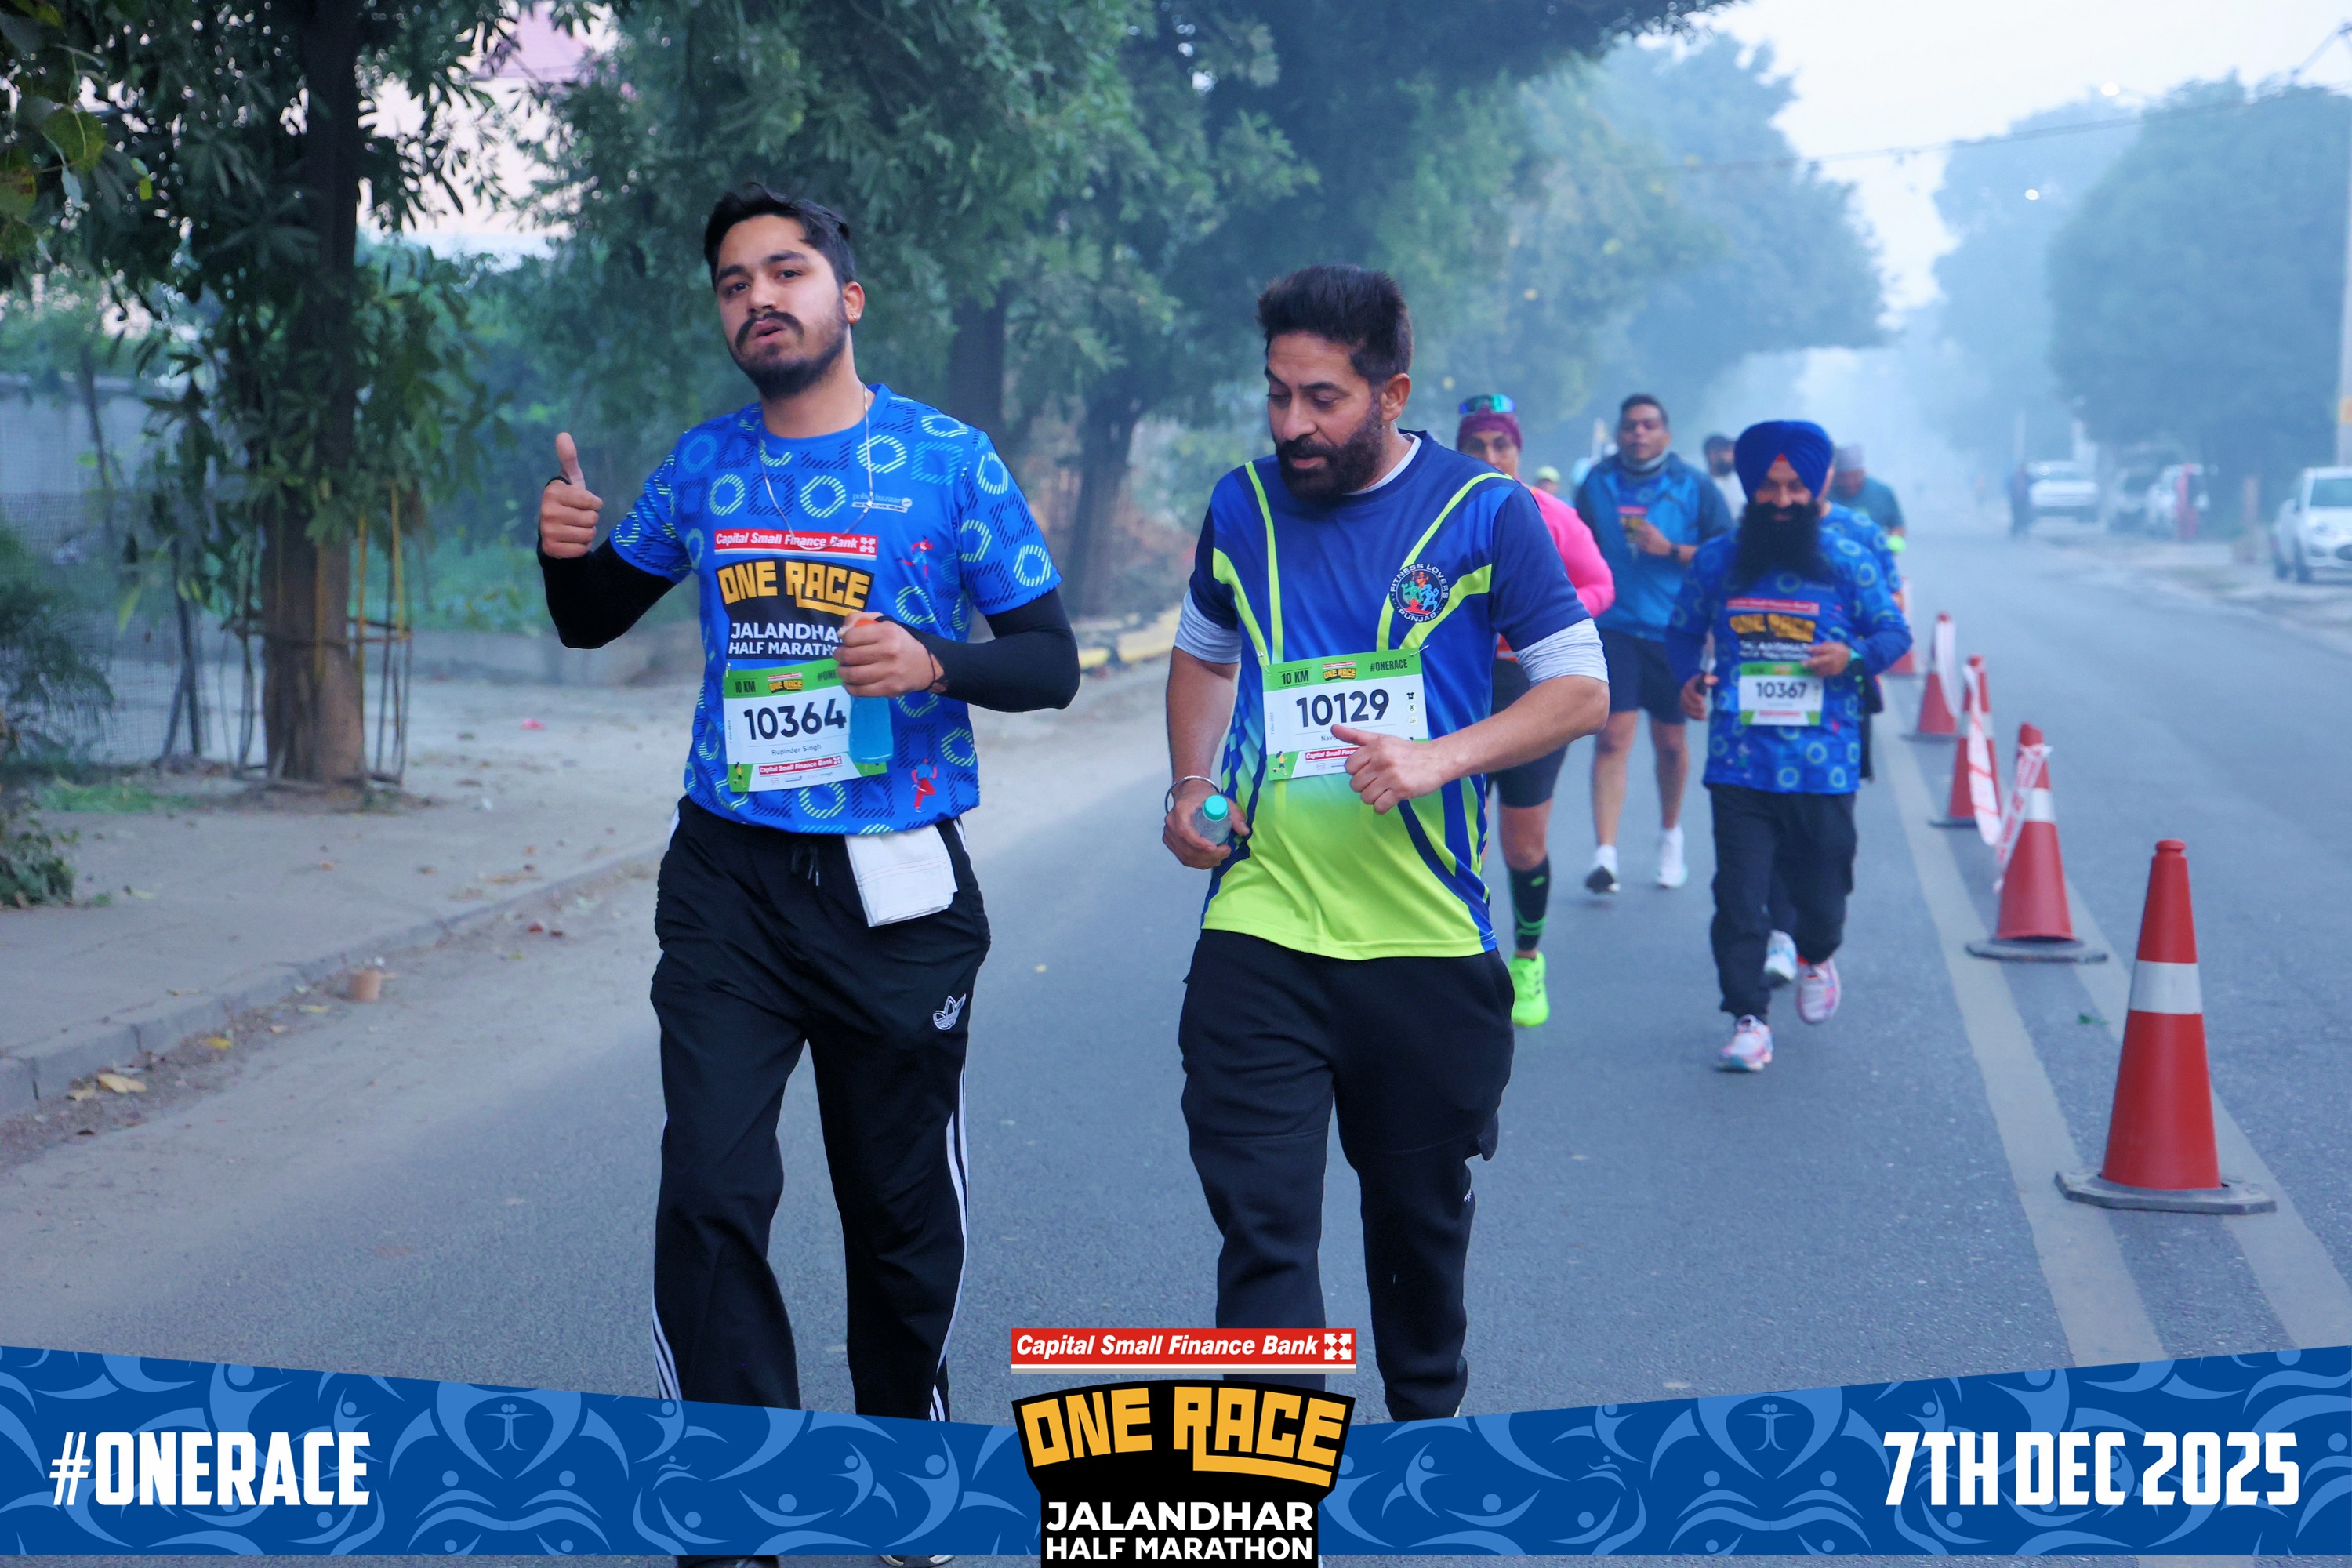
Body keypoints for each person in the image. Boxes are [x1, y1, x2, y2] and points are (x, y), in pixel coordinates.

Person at [537, 186, 1079, 1483]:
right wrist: (564, 554)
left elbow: (1051, 661)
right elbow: (592, 618)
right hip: (728, 880)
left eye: (786, 272)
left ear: (850, 295)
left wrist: (936, 660)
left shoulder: (948, 460)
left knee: (897, 1216)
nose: (759, 299)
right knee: (709, 1189)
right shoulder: (706, 464)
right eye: (735, 283)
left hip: (896, 888)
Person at [1162, 265, 1609, 1420]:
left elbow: (1578, 689)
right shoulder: (1241, 506)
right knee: (1262, 1233)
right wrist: (1193, 785)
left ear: (1392, 393)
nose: (1293, 424)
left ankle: (1426, 1455)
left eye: (1323, 398)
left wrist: (1437, 758)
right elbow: (1205, 651)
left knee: (1416, 1245)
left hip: (1424, 941)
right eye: (1277, 395)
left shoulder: (1486, 512)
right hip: (1261, 924)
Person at [1666, 420, 1910, 1072]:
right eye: (1768, 487)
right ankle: (1748, 1018)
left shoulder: (1849, 557)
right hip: (1739, 762)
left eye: (1795, 487)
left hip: (1824, 764)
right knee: (1738, 898)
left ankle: (1818, 955)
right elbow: (1682, 632)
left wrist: (1852, 656)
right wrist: (1689, 679)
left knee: (1823, 897)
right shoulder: (1717, 559)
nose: (1781, 500)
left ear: (1817, 487)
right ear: (1750, 487)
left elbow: (1894, 632)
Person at [1457, 395, 1614, 1028]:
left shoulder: (1550, 514)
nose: (1491, 457)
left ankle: (1527, 958)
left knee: (1523, 844)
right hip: (1456, 689)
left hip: (1530, 688)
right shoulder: (1436, 515)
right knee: (1453, 838)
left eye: (1502, 445)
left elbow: (1600, 585)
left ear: (1519, 450)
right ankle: (1459, 963)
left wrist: (1540, 618)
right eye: (1477, 446)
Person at [1574, 394, 1733, 895]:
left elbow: (1728, 555)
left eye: (1648, 425)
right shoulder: (1596, 482)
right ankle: (1605, 854)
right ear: (1620, 434)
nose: (1638, 434)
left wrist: (1673, 550)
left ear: (1666, 433)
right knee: (1612, 738)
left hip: (1674, 630)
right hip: (1613, 626)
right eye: (1630, 426)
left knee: (1670, 743)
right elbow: (1575, 548)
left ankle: (1670, 837)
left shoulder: (1695, 486)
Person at [1760, 489, 1901, 986]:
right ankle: (1781, 935)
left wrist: (1853, 653)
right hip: (1765, 709)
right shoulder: (1757, 533)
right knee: (1771, 821)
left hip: (1837, 712)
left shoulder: (1859, 534)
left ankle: (1818, 941)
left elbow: (1892, 614)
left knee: (1826, 841)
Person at [1831, 444, 1907, 551]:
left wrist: (1893, 546)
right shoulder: (1825, 492)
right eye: (1843, 476)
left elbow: (1897, 525)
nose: (1849, 482)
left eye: (1854, 476)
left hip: (1872, 554)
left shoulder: (1883, 493)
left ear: (1863, 471)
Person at [1703, 433, 1741, 520]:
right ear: (1712, 455)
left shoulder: (1742, 480)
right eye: (1727, 451)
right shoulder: (1703, 487)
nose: (1732, 455)